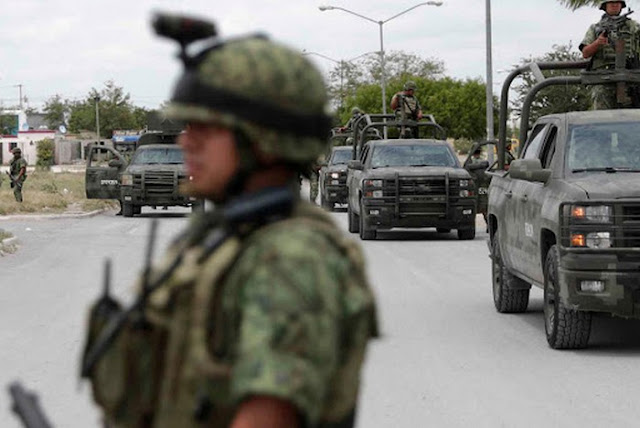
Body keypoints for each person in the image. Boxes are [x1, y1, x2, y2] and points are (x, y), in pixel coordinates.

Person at [83, 17, 378, 428]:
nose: (187, 141)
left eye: (206, 128)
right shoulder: (227, 235)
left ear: (263, 139)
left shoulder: (292, 257)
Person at [579, 0, 640, 109]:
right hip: (603, 78)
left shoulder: (633, 27)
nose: (614, 4)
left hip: (629, 76)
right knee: (602, 109)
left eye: (617, 2)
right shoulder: (595, 28)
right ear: (604, 6)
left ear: (621, 5)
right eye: (611, 2)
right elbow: (585, 53)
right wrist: (598, 43)